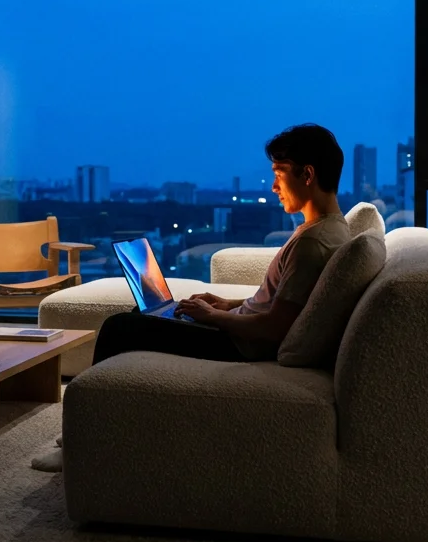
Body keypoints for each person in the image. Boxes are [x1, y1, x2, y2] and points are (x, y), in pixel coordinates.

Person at [90, 123, 352, 366]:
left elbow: (274, 328)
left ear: (307, 174)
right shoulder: (332, 229)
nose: (273, 187)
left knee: (119, 326)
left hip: (237, 345)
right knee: (147, 313)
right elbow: (281, 303)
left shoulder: (312, 243)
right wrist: (226, 305)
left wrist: (213, 317)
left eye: (279, 173)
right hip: (239, 331)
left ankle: (94, 406)